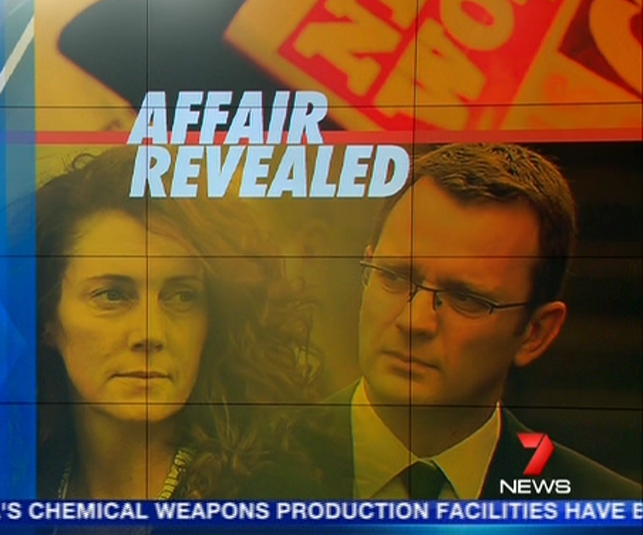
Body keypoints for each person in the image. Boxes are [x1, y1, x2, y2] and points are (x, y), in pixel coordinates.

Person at [293, 142, 641, 500]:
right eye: (394, 277)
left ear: (535, 333)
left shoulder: (612, 511)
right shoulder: (259, 465)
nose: (414, 322)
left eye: (465, 298)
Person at [33, 146, 326, 510]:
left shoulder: (276, 502)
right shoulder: (5, 484)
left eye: (182, 296)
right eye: (112, 295)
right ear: (47, 319)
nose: (150, 333)